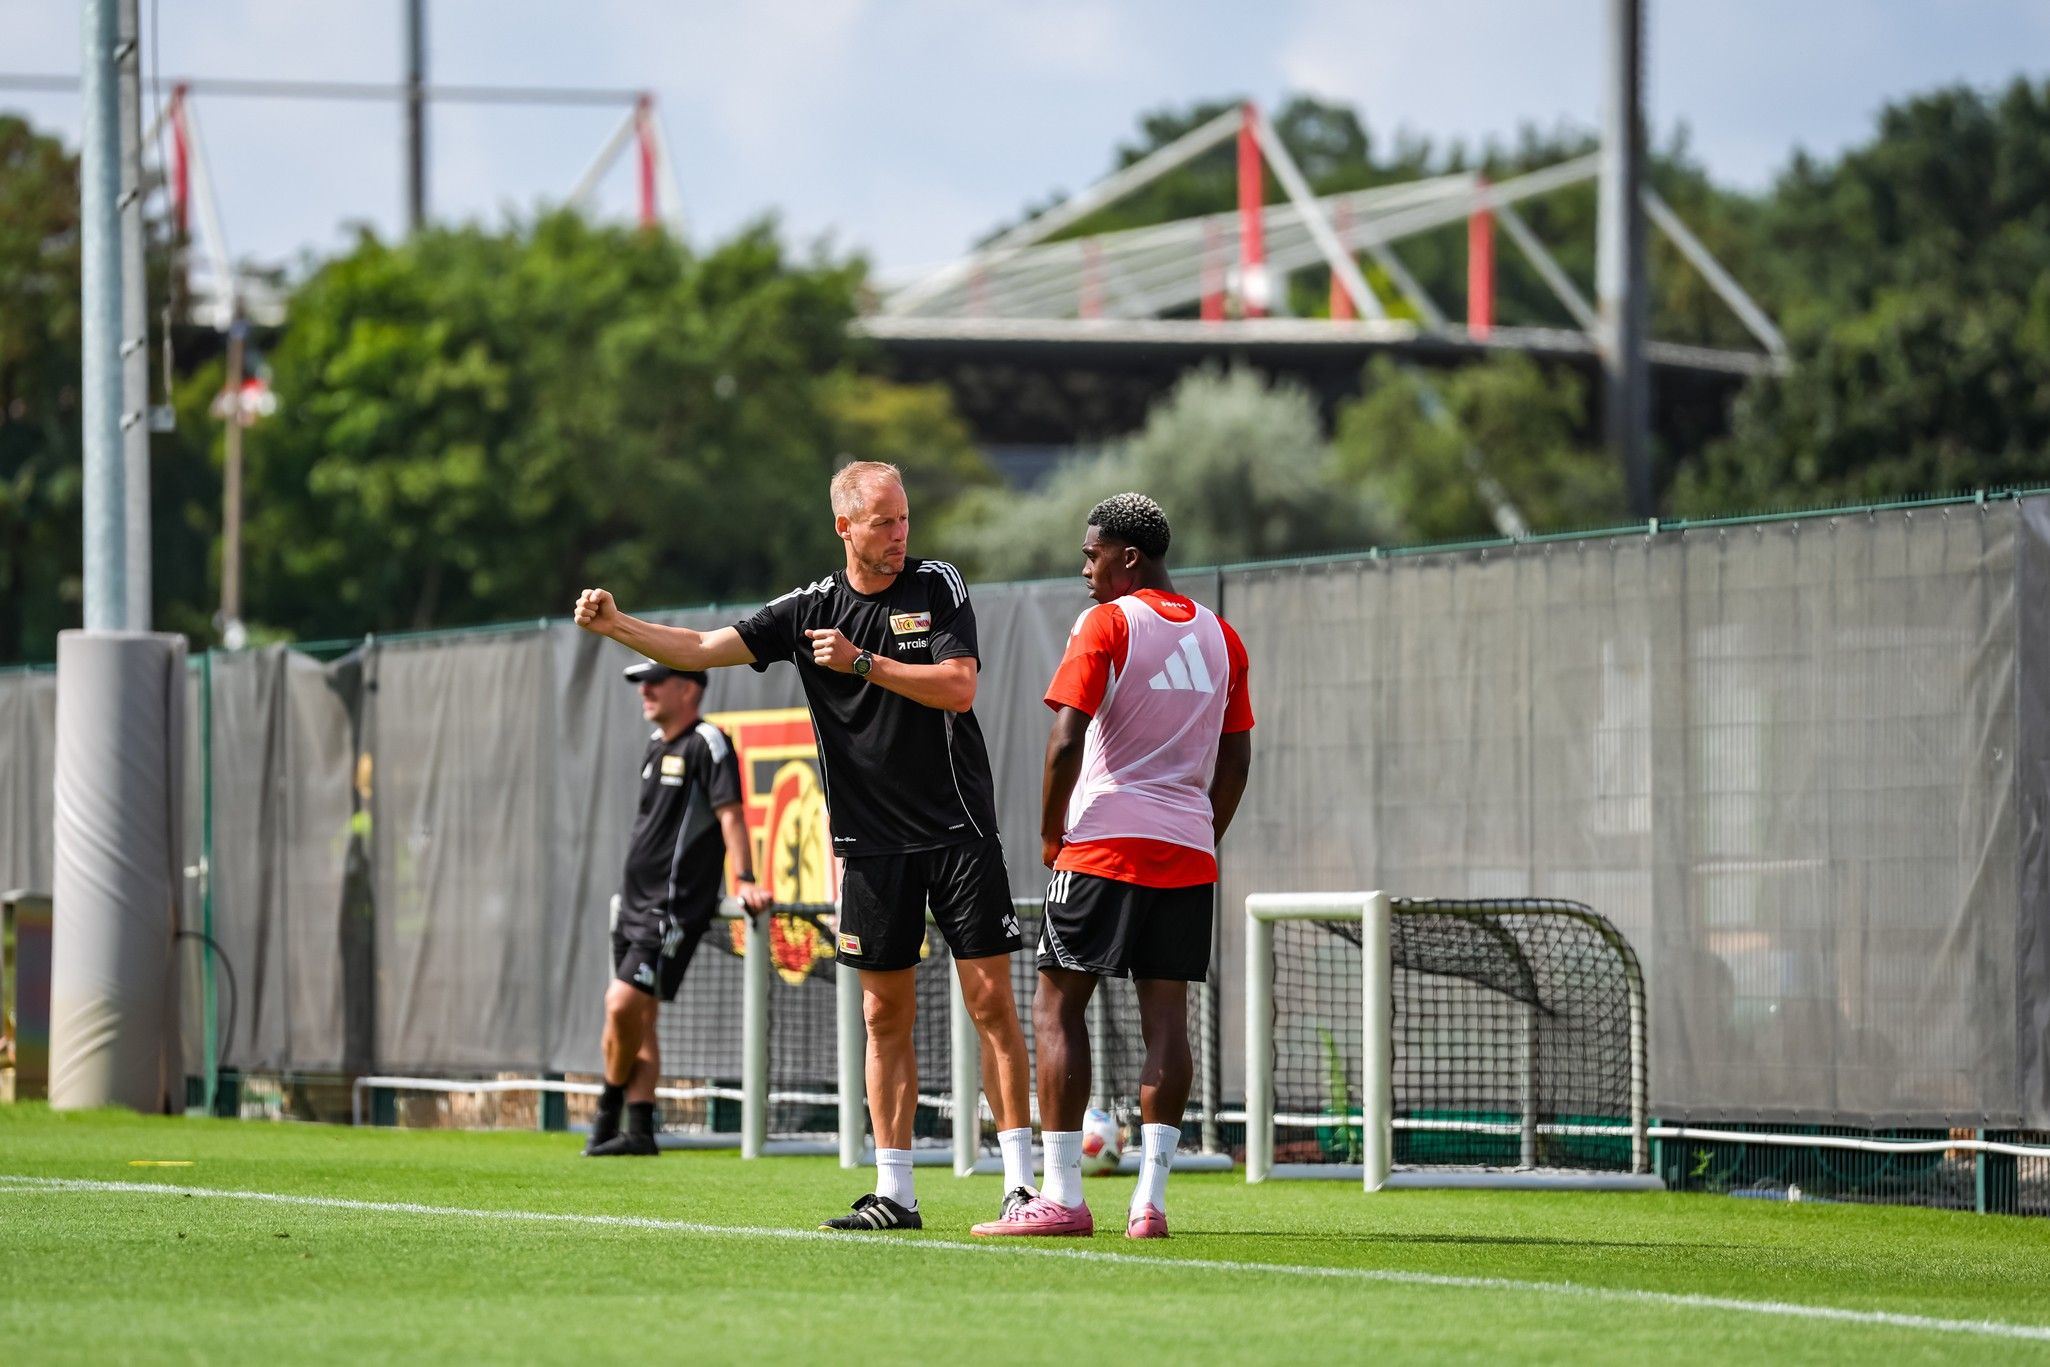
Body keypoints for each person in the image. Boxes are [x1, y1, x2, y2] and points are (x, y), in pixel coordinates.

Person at [572, 461, 1036, 1227]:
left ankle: (1019, 1184)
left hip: (959, 831)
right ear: (844, 527)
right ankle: (896, 1192)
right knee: (884, 1018)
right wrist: (618, 623)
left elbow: (959, 686)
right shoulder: (807, 606)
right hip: (871, 844)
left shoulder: (938, 585)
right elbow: (696, 644)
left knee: (991, 1003)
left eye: (905, 518)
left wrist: (863, 662)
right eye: (884, 521)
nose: (900, 534)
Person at [973, 492, 1252, 1240]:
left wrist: (1046, 835)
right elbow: (1236, 755)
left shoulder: (1108, 623)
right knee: (1168, 1018)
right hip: (1188, 850)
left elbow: (1065, 741)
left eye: (1093, 554)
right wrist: (1205, 829)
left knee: (1056, 1004)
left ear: (1130, 556)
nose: (1085, 568)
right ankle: (1150, 1205)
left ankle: (1062, 1195)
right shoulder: (1225, 638)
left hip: (1102, 842)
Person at [585, 661, 773, 1157]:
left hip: (670, 910)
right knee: (637, 1019)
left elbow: (731, 814)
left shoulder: (708, 741)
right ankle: (641, 1129)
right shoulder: (655, 745)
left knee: (621, 1004)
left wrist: (746, 879)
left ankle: (607, 1110)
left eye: (654, 682)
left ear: (688, 689)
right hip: (633, 903)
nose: (644, 691)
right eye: (640, 684)